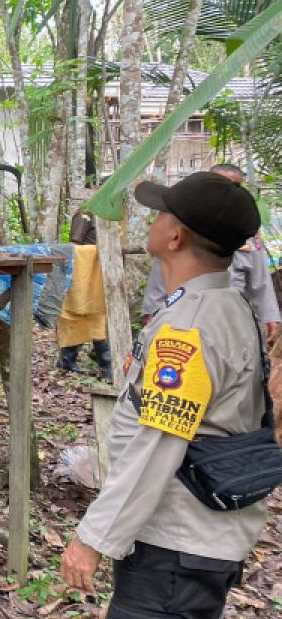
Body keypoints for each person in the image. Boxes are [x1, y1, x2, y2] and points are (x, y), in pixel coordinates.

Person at [61, 171, 269, 618]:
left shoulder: (190, 327)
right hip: (195, 542)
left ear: (175, 236)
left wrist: (93, 538)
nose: (152, 222)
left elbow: (158, 444)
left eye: (160, 215)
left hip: (174, 549)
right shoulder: (227, 307)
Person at [142, 163, 280, 344]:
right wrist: (153, 312)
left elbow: (259, 281)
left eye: (234, 187)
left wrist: (269, 315)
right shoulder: (186, 231)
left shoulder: (244, 237)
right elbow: (161, 274)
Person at [57, 205, 112, 380]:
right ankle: (104, 366)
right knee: (84, 315)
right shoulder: (87, 213)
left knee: (95, 317)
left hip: (99, 274)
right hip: (85, 274)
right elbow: (74, 246)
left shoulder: (111, 215)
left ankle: (71, 359)